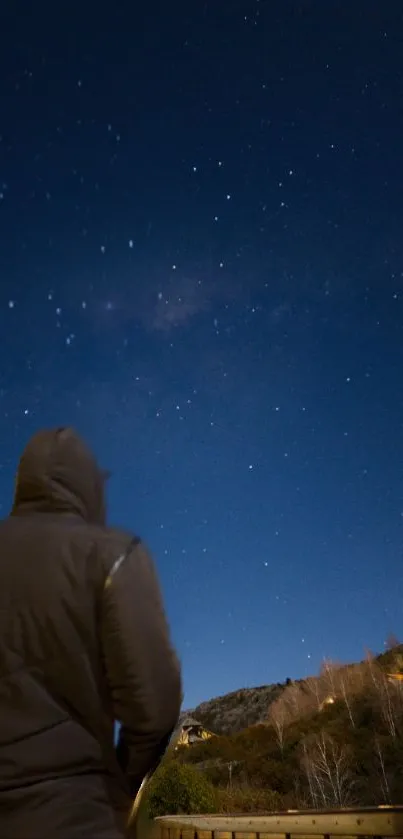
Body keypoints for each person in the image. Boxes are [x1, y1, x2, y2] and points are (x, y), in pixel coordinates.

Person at [0, 427, 182, 838]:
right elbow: (154, 710)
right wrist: (120, 786)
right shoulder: (112, 555)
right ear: (87, 487)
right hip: (76, 815)